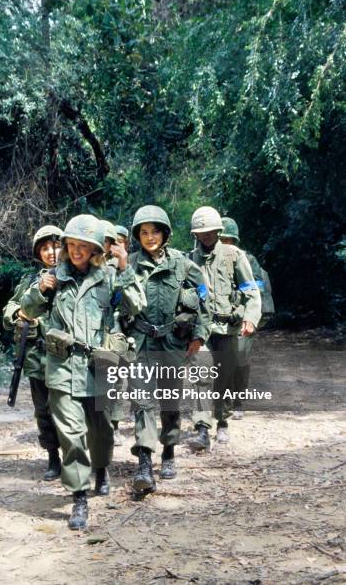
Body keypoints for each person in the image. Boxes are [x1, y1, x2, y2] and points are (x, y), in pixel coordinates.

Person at [20, 214, 145, 530]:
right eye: (71, 245)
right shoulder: (53, 278)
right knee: (72, 435)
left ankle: (101, 469)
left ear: (94, 249)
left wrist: (125, 266)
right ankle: (79, 497)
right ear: (65, 247)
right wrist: (38, 291)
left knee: (102, 431)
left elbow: (136, 306)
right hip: (62, 368)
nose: (76, 251)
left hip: (100, 365)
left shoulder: (110, 277)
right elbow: (27, 311)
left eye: (84, 246)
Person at [124, 205, 211, 494]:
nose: (150, 237)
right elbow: (113, 303)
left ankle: (169, 451)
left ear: (165, 233)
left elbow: (204, 300)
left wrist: (199, 335)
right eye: (144, 232)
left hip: (173, 344)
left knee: (169, 403)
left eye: (155, 231)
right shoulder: (130, 265)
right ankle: (145, 463)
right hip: (140, 344)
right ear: (138, 236)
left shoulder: (182, 264)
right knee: (142, 402)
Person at [189, 207, 261, 444]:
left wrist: (250, 317)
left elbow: (250, 289)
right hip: (202, 328)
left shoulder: (234, 255)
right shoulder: (190, 260)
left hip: (227, 328)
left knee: (224, 376)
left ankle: (222, 421)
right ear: (195, 234)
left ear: (218, 231)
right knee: (201, 373)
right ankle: (201, 427)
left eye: (210, 231)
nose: (206, 235)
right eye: (201, 232)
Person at [3, 225, 63, 481]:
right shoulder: (30, 280)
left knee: (72, 409)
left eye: (56, 246)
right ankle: (53, 457)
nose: (52, 252)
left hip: (68, 357)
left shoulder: (76, 276)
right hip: (39, 358)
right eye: (46, 248)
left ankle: (81, 458)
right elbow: (10, 308)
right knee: (44, 410)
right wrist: (18, 315)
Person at [220, 217, 274, 418]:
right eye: (221, 239)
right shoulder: (209, 258)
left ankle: (238, 401)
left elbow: (256, 290)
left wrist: (248, 315)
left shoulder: (248, 260)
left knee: (240, 359)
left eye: (228, 240)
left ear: (235, 240)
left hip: (244, 316)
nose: (225, 244)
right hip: (220, 318)